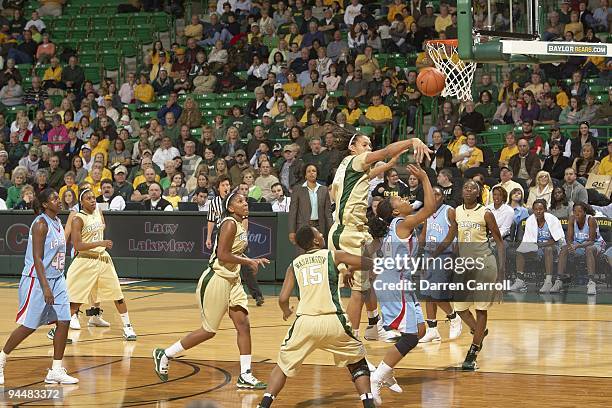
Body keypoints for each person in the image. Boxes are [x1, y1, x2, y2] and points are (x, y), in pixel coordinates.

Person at [153, 192, 269, 389]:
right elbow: (223, 255)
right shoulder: (229, 223)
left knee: (243, 324)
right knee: (209, 331)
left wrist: (247, 262)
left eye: (245, 201)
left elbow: (234, 253)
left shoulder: (241, 223)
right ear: (230, 208)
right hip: (217, 279)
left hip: (233, 280)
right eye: (240, 201)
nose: (245, 204)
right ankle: (165, 354)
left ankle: (245, 374)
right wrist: (249, 261)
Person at [327, 124, 430, 341]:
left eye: (370, 145)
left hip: (348, 231)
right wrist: (412, 141)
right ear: (352, 147)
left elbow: (370, 173)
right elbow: (384, 152)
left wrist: (389, 165)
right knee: (359, 290)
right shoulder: (356, 160)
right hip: (349, 231)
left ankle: (374, 324)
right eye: (364, 144)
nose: (368, 148)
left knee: (370, 279)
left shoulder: (347, 167)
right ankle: (352, 343)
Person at [256, 225, 375, 408]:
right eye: (318, 232)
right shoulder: (333, 255)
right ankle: (368, 404)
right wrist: (349, 269)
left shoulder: (294, 264)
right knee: (357, 362)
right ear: (316, 240)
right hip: (333, 321)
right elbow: (368, 262)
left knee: (283, 365)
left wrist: (286, 310)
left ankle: (263, 405)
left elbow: (282, 298)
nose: (321, 234)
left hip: (305, 322)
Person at [368, 165, 435, 405]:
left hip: (399, 282)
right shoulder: (401, 224)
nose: (406, 200)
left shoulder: (393, 227)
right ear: (396, 210)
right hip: (394, 285)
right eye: (400, 199)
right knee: (409, 337)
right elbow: (430, 208)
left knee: (420, 330)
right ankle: (376, 377)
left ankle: (386, 371)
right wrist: (425, 177)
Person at [0, 189, 78, 386]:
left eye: (57, 198)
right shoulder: (41, 224)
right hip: (37, 279)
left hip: (58, 278)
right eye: (53, 198)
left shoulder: (58, 222)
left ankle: (56, 370)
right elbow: (37, 258)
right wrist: (45, 287)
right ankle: (1, 357)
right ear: (44, 204)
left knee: (64, 320)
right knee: (29, 326)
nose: (58, 200)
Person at [64, 189, 137, 341]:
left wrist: (101, 244)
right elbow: (76, 246)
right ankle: (58, 330)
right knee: (76, 300)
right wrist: (100, 243)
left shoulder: (98, 211)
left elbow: (101, 227)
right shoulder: (78, 219)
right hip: (85, 260)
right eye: (88, 198)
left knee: (118, 294)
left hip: (103, 259)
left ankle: (128, 327)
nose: (92, 200)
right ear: (81, 202)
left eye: (93, 197)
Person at [454, 180, 505, 370]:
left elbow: (499, 242)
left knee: (480, 309)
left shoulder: (486, 213)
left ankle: (473, 352)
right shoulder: (457, 211)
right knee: (459, 309)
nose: (468, 190)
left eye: (472, 188)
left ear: (478, 193)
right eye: (465, 187)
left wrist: (501, 272)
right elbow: (453, 238)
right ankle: (479, 332)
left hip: (485, 264)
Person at [417, 186, 463, 344]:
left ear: (443, 197)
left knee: (436, 292)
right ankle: (432, 329)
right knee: (428, 294)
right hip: (428, 255)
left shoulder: (449, 211)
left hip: (444, 255)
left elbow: (451, 236)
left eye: (437, 194)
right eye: (431, 194)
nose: (434, 197)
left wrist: (434, 254)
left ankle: (453, 317)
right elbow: (423, 234)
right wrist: (418, 251)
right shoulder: (427, 212)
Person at [512, 200, 565, 293]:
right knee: (520, 251)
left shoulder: (553, 219)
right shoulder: (530, 220)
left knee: (548, 249)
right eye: (536, 209)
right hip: (538, 247)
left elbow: (555, 240)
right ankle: (520, 280)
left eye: (541, 209)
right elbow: (528, 240)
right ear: (533, 210)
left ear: (545, 209)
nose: (538, 211)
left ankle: (548, 281)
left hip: (555, 247)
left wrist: (539, 245)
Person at [556, 202, 606, 295]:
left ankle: (591, 282)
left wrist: (577, 246)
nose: (576, 214)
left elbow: (591, 240)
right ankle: (559, 280)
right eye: (574, 211)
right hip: (578, 244)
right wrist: (570, 246)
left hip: (596, 244)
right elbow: (569, 238)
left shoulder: (591, 220)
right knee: (564, 248)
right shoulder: (571, 219)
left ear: (584, 212)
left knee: (589, 249)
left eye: (579, 211)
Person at [288, 164, 333, 254]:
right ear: (305, 175)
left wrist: (331, 230)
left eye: (314, 171)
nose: (311, 173)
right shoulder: (298, 190)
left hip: (320, 227)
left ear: (317, 174)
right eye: (308, 171)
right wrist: (291, 231)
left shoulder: (323, 190)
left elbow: (328, 213)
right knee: (302, 254)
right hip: (303, 228)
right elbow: (293, 212)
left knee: (319, 255)